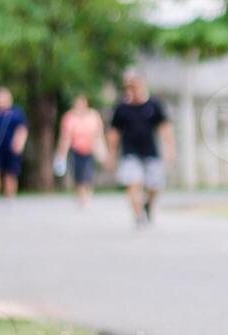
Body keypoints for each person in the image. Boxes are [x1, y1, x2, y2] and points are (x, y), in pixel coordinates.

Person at [107, 70, 173, 228]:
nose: (133, 87)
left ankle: (148, 205)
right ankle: (138, 216)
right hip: (130, 152)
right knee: (133, 182)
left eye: (135, 83)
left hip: (151, 151)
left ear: (142, 83)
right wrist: (111, 155)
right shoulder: (121, 108)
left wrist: (170, 149)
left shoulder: (153, 105)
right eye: (129, 84)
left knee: (154, 186)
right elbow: (114, 134)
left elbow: (164, 128)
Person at [54, 94, 106, 208]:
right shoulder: (69, 117)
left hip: (90, 149)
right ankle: (80, 195)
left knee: (89, 173)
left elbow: (99, 134)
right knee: (78, 174)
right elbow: (65, 136)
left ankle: (88, 195)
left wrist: (102, 151)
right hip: (76, 149)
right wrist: (62, 153)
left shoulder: (93, 115)